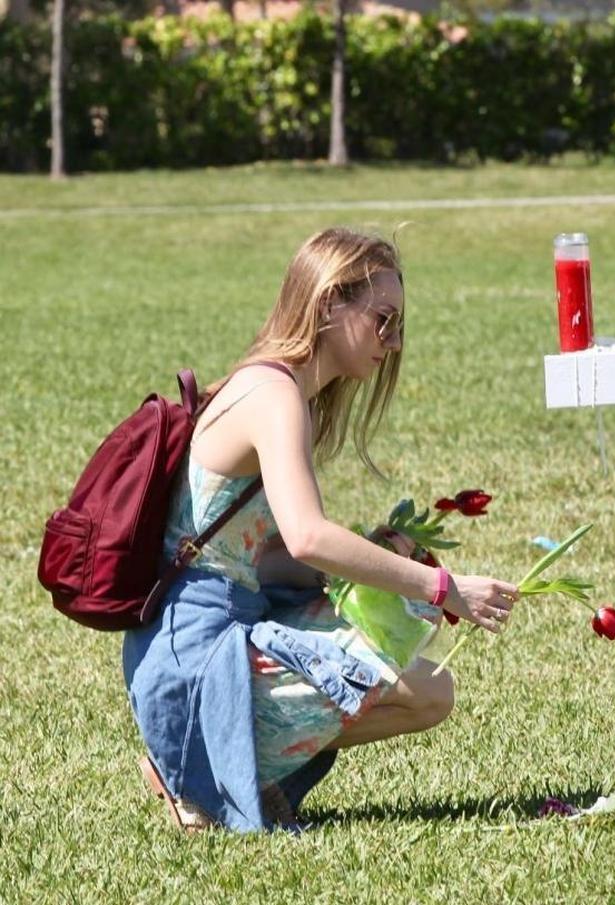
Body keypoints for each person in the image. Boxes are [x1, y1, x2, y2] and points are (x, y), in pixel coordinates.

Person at [123, 227, 519, 833]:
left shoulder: (286, 393)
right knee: (409, 681)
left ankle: (216, 766)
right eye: (382, 319)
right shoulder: (274, 394)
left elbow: (266, 560)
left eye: (399, 325)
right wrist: (438, 586)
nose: (392, 340)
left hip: (213, 629)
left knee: (431, 690)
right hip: (196, 655)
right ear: (330, 301)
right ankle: (194, 767)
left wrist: (373, 558)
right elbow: (308, 536)